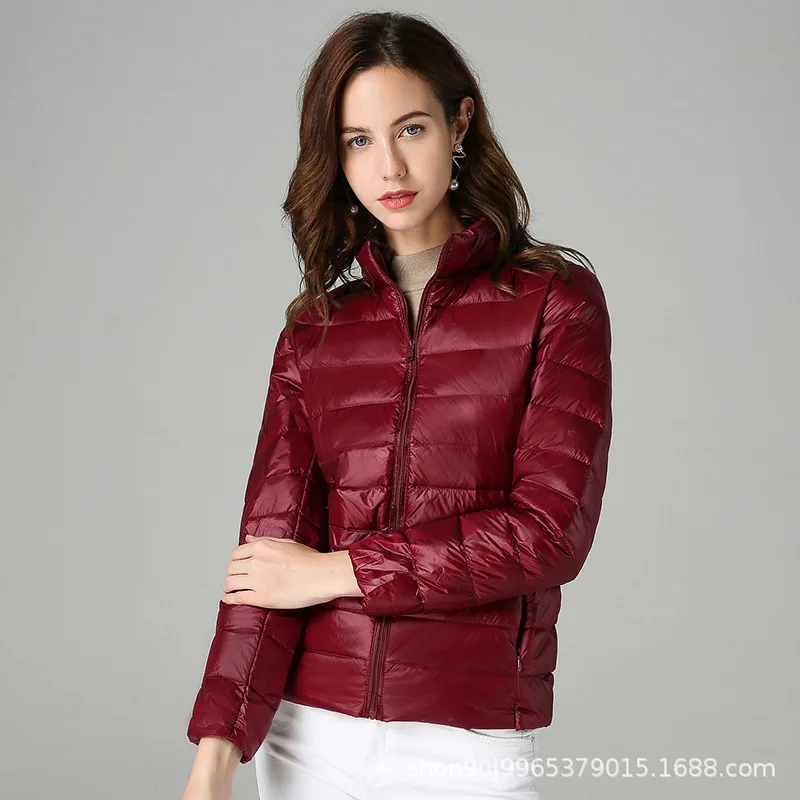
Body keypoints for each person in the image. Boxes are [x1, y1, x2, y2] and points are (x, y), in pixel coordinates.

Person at [181, 10, 613, 800]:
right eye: (357, 140)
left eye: (410, 128)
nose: (389, 165)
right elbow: (268, 562)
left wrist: (338, 571)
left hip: (468, 738)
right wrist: (213, 760)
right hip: (306, 737)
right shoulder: (315, 332)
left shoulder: (553, 302)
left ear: (459, 124)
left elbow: (549, 532)